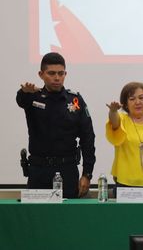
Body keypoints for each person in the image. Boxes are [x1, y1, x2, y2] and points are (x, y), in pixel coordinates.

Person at [16, 52, 95, 198]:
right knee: (37, 218)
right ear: (41, 74)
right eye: (51, 73)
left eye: (61, 73)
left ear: (65, 73)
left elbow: (88, 138)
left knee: (68, 218)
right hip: (38, 171)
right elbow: (21, 100)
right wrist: (23, 92)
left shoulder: (75, 101)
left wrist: (87, 174)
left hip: (67, 170)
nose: (57, 78)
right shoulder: (33, 96)